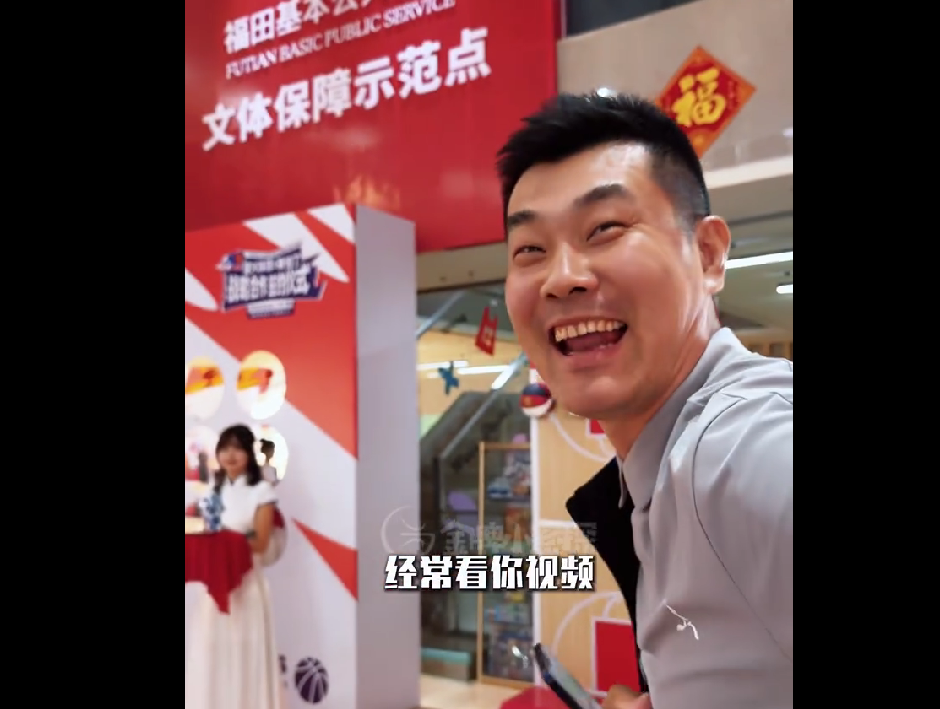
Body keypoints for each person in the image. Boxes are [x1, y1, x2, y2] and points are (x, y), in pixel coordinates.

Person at [497, 93, 793, 708]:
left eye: (604, 229)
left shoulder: (735, 451)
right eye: (530, 250)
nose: (562, 277)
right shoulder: (659, 477)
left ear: (707, 255)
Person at [185, 424, 284, 709]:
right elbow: (201, 528)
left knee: (247, 653)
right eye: (225, 448)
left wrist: (225, 541)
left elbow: (261, 542)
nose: (231, 455)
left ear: (249, 454)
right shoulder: (211, 491)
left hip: (247, 585)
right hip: (214, 586)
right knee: (211, 652)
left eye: (238, 448)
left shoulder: (262, 492)